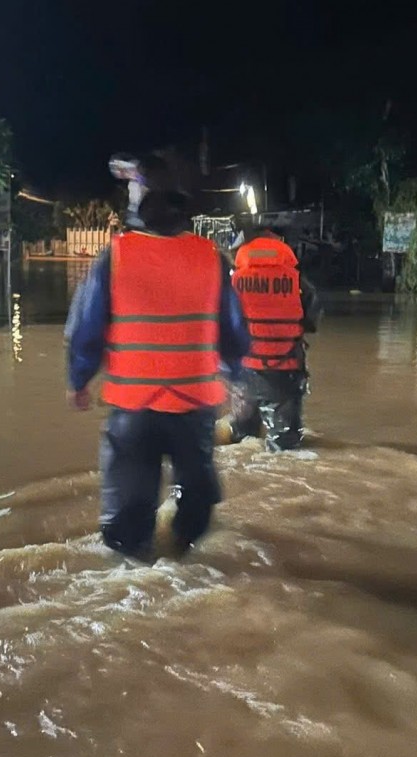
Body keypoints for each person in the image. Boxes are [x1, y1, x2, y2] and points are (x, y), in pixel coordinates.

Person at [66, 153, 251, 560]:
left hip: (134, 411)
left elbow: (86, 330)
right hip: (195, 409)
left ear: (139, 208)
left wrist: (79, 382)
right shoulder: (210, 258)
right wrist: (239, 378)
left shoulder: (115, 256)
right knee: (196, 500)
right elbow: (235, 333)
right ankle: (184, 555)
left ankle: (136, 571)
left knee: (129, 516)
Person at [218, 226, 321, 452]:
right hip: (283, 368)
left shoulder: (235, 279)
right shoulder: (295, 279)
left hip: (243, 371)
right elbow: (311, 310)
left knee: (243, 435)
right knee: (285, 446)